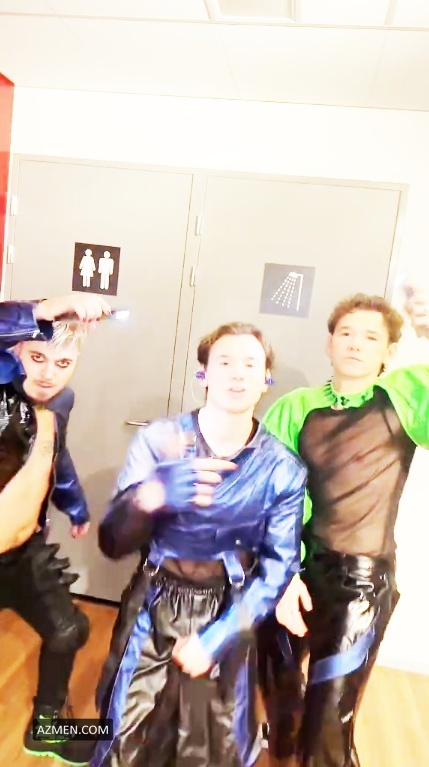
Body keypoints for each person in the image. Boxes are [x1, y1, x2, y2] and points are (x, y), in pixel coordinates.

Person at [92, 321, 307, 767]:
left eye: (250, 364)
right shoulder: (159, 441)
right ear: (203, 373)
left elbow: (277, 570)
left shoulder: (283, 468)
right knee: (124, 738)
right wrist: (149, 497)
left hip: (228, 607)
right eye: (224, 362)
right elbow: (112, 542)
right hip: (153, 602)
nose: (237, 373)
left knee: (214, 748)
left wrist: (217, 639)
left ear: (266, 379)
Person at [260, 286, 429, 766]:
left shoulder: (404, 396)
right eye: (346, 333)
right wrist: (283, 572)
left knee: (329, 719)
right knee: (277, 689)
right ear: (329, 342)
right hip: (294, 570)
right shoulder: (296, 405)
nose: (356, 344)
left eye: (371, 337)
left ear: (389, 351)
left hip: (361, 584)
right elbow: (271, 495)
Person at [0, 293, 110, 765]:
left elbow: (54, 456)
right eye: (37, 358)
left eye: (63, 363)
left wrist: (76, 506)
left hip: (22, 547)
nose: (48, 373)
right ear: (17, 351)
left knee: (69, 629)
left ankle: (46, 728)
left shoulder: (61, 400)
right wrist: (45, 309)